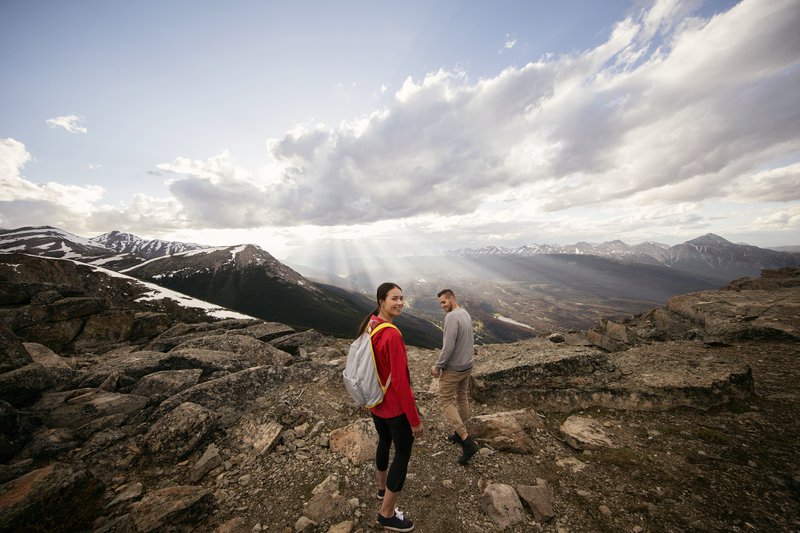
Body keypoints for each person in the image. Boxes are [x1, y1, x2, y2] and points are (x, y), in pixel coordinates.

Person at [357, 282, 422, 532]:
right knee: (403, 454)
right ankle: (386, 513)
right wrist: (414, 419)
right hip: (394, 408)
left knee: (384, 442)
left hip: (376, 403)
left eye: (402, 298)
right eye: (394, 298)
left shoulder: (369, 324)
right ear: (381, 301)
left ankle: (381, 488)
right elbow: (401, 383)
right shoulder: (392, 334)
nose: (400, 303)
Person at [430, 289, 479, 465]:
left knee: (445, 400)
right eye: (440, 304)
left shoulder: (451, 317)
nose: (443, 306)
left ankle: (466, 440)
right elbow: (469, 340)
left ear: (452, 299)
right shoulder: (464, 312)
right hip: (467, 365)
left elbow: (448, 346)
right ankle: (460, 433)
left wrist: (438, 366)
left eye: (444, 302)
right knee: (462, 397)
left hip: (454, 369)